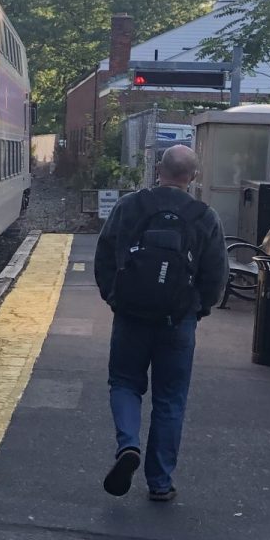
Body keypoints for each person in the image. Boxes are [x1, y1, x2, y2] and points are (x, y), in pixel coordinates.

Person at [92, 144, 228, 502]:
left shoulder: (129, 206)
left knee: (124, 382)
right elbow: (215, 276)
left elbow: (104, 254)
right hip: (177, 322)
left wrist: (115, 297)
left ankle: (128, 445)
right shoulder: (205, 216)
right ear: (193, 177)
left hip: (131, 315)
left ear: (157, 169)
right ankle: (160, 482)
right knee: (170, 399)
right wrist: (198, 309)